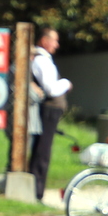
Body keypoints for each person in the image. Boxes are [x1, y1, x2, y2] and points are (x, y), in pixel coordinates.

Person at [29, 27, 72, 201]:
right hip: (48, 111)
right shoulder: (42, 61)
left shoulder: (44, 59)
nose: (57, 44)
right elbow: (51, 89)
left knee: (43, 150)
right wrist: (66, 83)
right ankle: (37, 192)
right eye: (54, 40)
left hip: (50, 111)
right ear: (44, 41)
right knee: (42, 152)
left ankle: (37, 190)